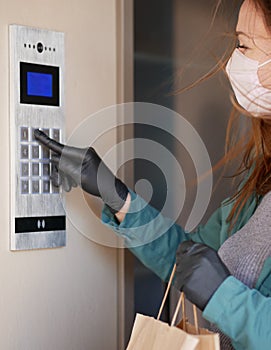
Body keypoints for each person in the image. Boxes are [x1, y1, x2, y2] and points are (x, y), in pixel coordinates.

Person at [34, 0, 271, 349]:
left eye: (243, 45)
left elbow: (217, 288)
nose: (230, 64)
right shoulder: (260, 180)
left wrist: (222, 295)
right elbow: (188, 258)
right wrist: (118, 198)